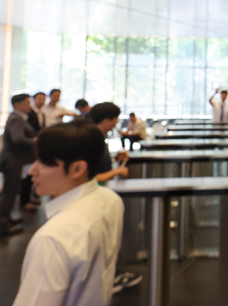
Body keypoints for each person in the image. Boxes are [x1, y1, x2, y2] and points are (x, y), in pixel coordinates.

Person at [13, 119, 124, 306]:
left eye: (44, 162)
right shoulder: (110, 200)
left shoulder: (53, 238)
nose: (32, 170)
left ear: (77, 169)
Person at [89, 103, 143, 293]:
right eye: (114, 120)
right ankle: (109, 278)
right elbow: (87, 176)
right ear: (106, 120)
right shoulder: (90, 140)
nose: (115, 125)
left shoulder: (96, 138)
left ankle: (113, 275)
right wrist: (116, 172)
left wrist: (114, 159)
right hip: (94, 199)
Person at [0, 94, 37, 237]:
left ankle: (6, 219)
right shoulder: (16, 119)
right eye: (26, 103)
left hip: (14, 160)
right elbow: (18, 138)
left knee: (11, 192)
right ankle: (2, 225)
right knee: (9, 193)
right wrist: (35, 140)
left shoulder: (17, 118)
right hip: (12, 160)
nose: (29, 106)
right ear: (17, 105)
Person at [19, 93, 46, 213]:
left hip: (36, 148)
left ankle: (29, 197)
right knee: (27, 175)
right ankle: (24, 201)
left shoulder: (42, 113)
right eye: (40, 99)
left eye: (44, 99)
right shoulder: (26, 114)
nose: (42, 101)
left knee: (31, 175)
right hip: (28, 150)